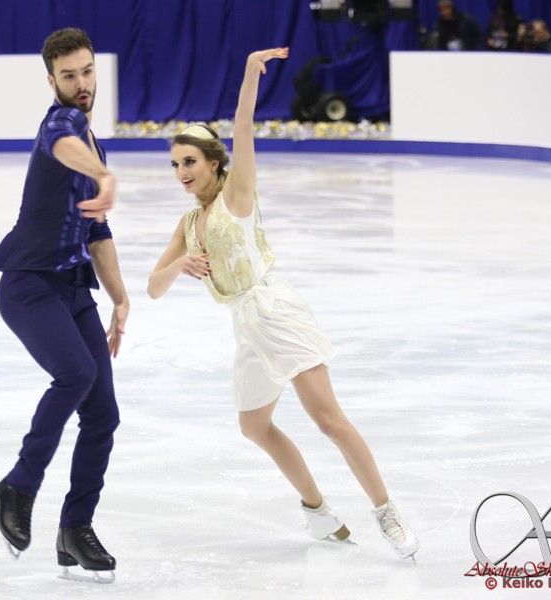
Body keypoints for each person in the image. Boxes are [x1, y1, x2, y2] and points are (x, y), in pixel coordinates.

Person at [147, 47, 419, 560]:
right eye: (175, 164)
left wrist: (249, 72)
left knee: (328, 419)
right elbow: (152, 288)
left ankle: (387, 512)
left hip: (275, 310)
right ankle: (318, 512)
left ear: (213, 163)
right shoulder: (187, 226)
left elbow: (244, 126)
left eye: (190, 162)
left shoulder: (237, 195)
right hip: (245, 327)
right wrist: (175, 266)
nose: (182, 171)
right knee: (254, 426)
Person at [0, 27, 128, 583]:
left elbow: (98, 229)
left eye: (87, 71)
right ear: (52, 81)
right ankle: (18, 487)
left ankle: (75, 529)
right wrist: (102, 171)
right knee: (75, 374)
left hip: (72, 288)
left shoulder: (93, 139)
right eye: (69, 75)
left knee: (104, 412)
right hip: (26, 285)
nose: (82, 83)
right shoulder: (62, 125)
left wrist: (119, 298)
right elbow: (61, 146)